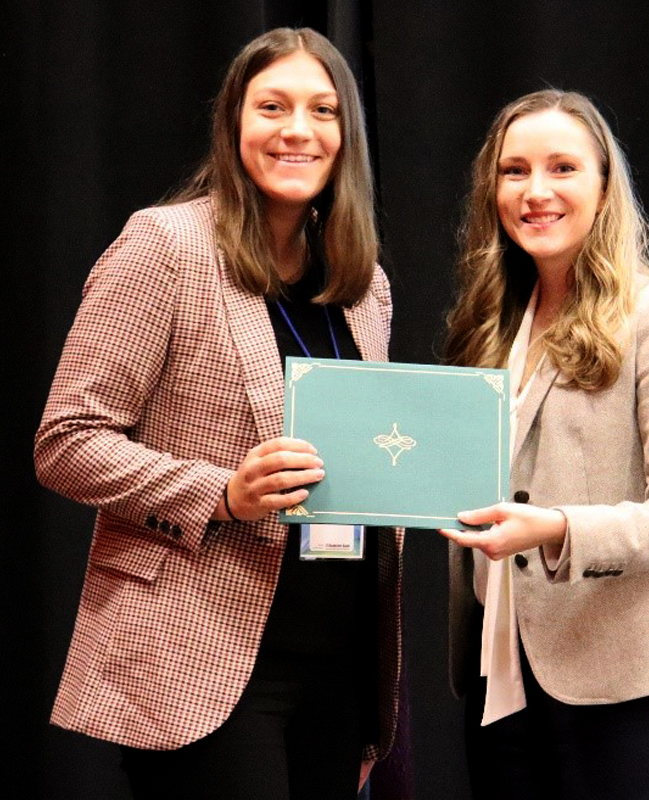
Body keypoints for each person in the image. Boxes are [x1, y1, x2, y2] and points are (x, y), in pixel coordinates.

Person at [34, 27, 402, 800]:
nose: (297, 130)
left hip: (338, 663)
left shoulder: (364, 284)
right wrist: (222, 495)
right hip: (198, 662)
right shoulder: (165, 246)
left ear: (348, 137)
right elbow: (66, 441)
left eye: (322, 111)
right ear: (235, 123)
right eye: (273, 107)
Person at [441, 90, 649, 800]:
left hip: (632, 697)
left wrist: (560, 530)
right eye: (514, 171)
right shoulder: (488, 326)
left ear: (604, 186)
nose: (536, 191)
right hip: (503, 685)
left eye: (562, 167)